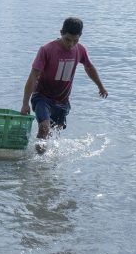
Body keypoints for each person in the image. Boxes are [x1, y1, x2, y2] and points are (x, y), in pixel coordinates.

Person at [20, 17, 108, 153]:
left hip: (62, 101)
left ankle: (48, 162)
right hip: (42, 97)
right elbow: (33, 76)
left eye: (75, 40)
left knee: (55, 134)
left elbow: (89, 68)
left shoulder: (80, 50)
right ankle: (38, 163)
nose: (71, 44)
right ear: (61, 33)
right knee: (44, 128)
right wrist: (25, 103)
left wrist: (100, 86)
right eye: (68, 39)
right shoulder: (46, 50)